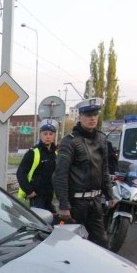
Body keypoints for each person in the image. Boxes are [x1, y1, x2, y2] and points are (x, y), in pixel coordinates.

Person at [52, 97, 115, 247]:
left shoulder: (101, 138)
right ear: (80, 117)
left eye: (95, 114)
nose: (92, 118)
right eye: (88, 115)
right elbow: (60, 175)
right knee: (72, 245)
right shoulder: (70, 141)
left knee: (102, 243)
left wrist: (110, 194)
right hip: (75, 204)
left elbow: (104, 169)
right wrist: (64, 205)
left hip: (95, 201)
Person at [16, 119, 58, 211]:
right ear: (40, 134)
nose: (48, 137)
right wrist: (29, 191)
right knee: (39, 222)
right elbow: (20, 173)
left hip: (49, 196)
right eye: (45, 134)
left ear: (54, 136)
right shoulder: (33, 152)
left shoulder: (55, 153)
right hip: (36, 196)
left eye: (51, 134)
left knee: (51, 221)